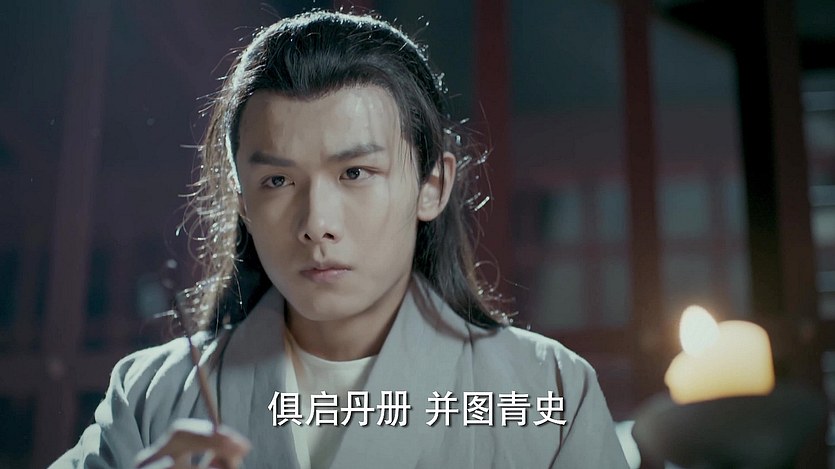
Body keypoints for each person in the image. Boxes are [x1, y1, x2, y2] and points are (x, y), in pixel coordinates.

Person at [52, 9, 628, 469]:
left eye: (355, 173)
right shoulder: (152, 397)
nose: (316, 222)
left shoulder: (549, 390)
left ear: (433, 185)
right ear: (243, 201)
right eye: (277, 181)